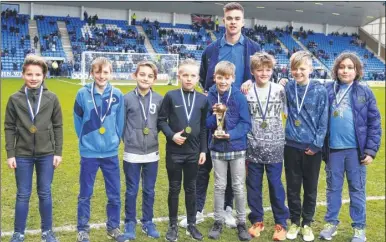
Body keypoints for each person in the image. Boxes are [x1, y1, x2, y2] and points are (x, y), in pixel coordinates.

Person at [188, 2, 260, 229]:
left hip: (238, 117)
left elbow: (262, 74)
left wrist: (252, 81)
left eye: (237, 18)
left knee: (231, 166)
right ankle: (197, 210)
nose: (233, 22)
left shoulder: (253, 48)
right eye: (229, 18)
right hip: (213, 113)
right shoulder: (211, 50)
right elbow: (202, 78)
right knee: (204, 164)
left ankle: (228, 209)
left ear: (243, 21)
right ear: (223, 20)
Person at [319, 52, 381, 242]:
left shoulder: (365, 92)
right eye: (342, 67)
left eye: (349, 67)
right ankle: (331, 224)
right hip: (333, 151)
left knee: (357, 190)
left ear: (357, 71)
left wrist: (370, 150)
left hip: (356, 152)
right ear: (336, 69)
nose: (345, 70)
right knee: (333, 189)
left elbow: (375, 123)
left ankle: (359, 228)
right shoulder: (327, 90)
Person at [5, 55, 63, 242]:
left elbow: (58, 126)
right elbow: (9, 127)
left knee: (45, 192)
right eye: (29, 74)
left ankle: (47, 232)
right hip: (22, 154)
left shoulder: (52, 98)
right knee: (23, 194)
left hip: (47, 154)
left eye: (37, 74)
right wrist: (10, 154)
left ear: (44, 76)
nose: (33, 78)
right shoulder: (14, 99)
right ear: (23, 75)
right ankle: (18, 232)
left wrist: (58, 152)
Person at [73, 57, 126, 242]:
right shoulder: (82, 93)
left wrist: (114, 139)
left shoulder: (118, 94)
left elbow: (120, 121)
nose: (101, 76)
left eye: (105, 72)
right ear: (91, 73)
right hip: (89, 153)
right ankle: (82, 229)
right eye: (98, 72)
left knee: (114, 193)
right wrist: (86, 140)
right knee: (85, 193)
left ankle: (113, 227)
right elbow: (77, 120)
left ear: (111, 73)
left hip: (110, 152)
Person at [158, 59, 208, 242]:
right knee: (174, 188)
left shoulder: (203, 99)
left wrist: (203, 150)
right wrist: (172, 135)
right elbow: (161, 120)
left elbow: (203, 127)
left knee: (191, 188)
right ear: (179, 76)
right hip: (174, 152)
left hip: (194, 153)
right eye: (185, 75)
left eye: (192, 76)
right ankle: (172, 226)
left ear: (197, 78)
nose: (188, 79)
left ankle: (191, 224)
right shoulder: (171, 96)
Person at [282, 51, 328, 242]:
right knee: (292, 187)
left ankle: (307, 223)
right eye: (295, 68)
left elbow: (323, 120)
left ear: (310, 69)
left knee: (310, 187)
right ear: (290, 70)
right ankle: (294, 221)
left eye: (302, 68)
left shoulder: (319, 90)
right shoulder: (287, 87)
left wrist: (316, 144)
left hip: (312, 148)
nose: (298, 72)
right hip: (291, 145)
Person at [245, 52, 289, 241]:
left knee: (275, 184)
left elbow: (287, 111)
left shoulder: (280, 89)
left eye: (268, 70)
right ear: (253, 71)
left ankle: (281, 223)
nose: (264, 73)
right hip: (252, 145)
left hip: (275, 145)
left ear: (272, 71)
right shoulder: (246, 91)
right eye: (259, 70)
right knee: (253, 185)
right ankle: (257, 220)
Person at [206, 61, 251, 241]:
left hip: (237, 147)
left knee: (239, 187)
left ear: (232, 79)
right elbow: (206, 124)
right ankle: (218, 220)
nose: (223, 81)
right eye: (219, 77)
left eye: (227, 78)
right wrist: (213, 114)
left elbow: (246, 123)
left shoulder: (239, 97)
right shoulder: (211, 95)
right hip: (217, 148)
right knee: (219, 186)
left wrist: (230, 134)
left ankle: (241, 222)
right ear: (214, 77)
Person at [122, 61, 163, 240]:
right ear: (135, 76)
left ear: (154, 79)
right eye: (142, 74)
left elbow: (160, 123)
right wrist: (130, 138)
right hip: (132, 152)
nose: (145, 78)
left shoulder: (160, 99)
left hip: (152, 153)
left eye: (149, 76)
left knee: (149, 189)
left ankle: (148, 222)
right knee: (132, 190)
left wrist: (152, 136)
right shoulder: (126, 99)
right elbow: (121, 124)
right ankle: (130, 222)